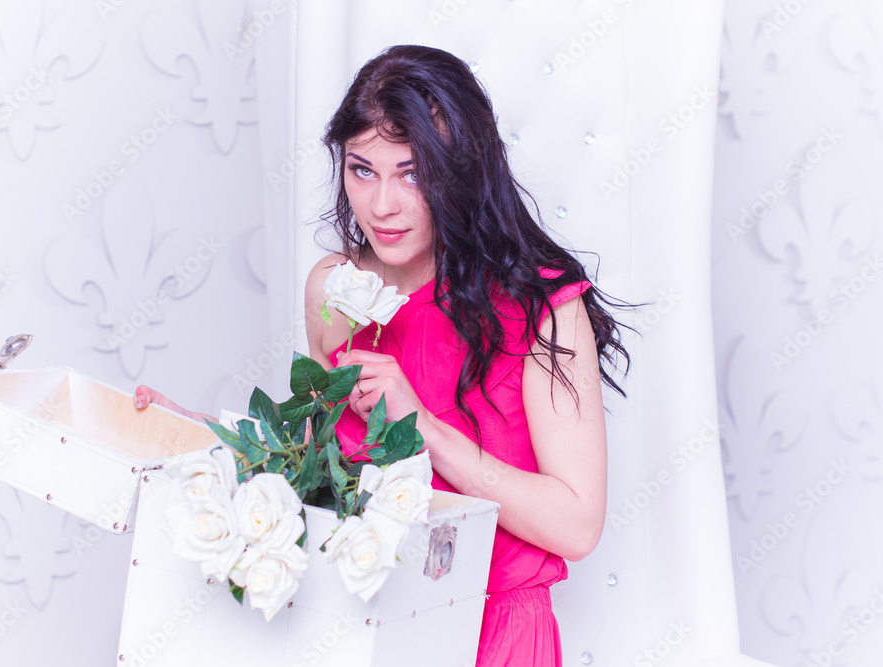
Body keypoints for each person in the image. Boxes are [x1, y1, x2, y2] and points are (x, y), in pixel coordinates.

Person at [136, 44, 631, 667]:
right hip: (356, 625)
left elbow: (578, 525)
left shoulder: (542, 306)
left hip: (494, 633)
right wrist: (204, 442)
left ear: (463, 169)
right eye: (362, 169)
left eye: (413, 172)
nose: (381, 205)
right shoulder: (336, 290)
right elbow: (314, 474)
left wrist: (420, 425)